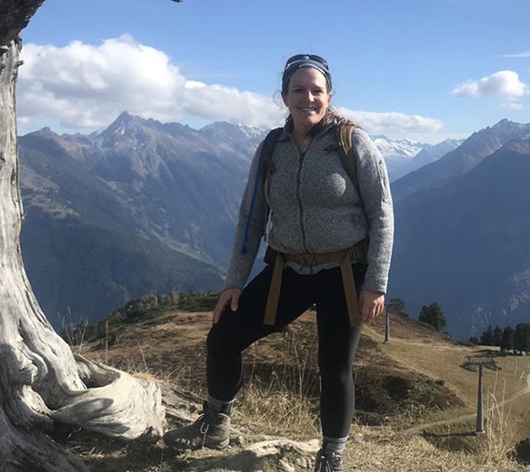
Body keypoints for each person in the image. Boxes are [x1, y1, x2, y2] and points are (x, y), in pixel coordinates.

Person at [163, 53, 393, 472]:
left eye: (316, 90)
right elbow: (252, 217)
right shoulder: (273, 148)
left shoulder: (352, 142)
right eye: (298, 90)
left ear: (330, 95)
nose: (308, 97)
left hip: (345, 272)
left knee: (335, 366)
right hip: (288, 269)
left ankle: (331, 456)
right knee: (224, 335)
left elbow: (382, 213)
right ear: (285, 96)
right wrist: (235, 281)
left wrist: (375, 283)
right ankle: (216, 422)